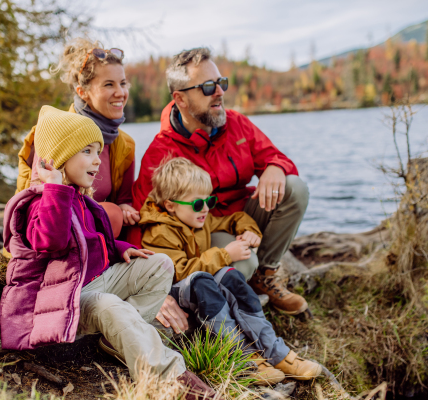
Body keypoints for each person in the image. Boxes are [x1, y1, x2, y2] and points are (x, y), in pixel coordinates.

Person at [0, 106, 217, 399]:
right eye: (87, 152)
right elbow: (51, 242)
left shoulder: (79, 198)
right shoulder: (40, 203)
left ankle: (117, 339)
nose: (97, 161)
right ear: (60, 158)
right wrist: (53, 190)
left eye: (97, 152)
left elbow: (90, 243)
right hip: (64, 300)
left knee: (160, 264)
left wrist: (122, 248)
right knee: (109, 305)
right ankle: (169, 379)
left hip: (89, 284)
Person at [131, 47, 310, 332]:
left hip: (244, 217)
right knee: (243, 261)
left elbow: (276, 157)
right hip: (203, 229)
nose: (219, 92)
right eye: (207, 87)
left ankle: (266, 275)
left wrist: (275, 166)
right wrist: (154, 288)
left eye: (221, 83)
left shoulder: (236, 123)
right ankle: (225, 317)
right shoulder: (160, 152)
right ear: (180, 98)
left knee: (294, 188)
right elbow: (143, 217)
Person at [139, 158, 322, 385]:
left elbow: (231, 219)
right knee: (203, 281)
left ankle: (277, 353)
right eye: (198, 204)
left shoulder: (198, 219)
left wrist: (248, 229)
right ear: (170, 205)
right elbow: (179, 272)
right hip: (174, 290)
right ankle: (240, 357)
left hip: (196, 282)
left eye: (209, 201)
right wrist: (225, 254)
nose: (206, 208)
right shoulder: (159, 232)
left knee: (231, 276)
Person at [15, 38, 140, 238]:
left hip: (97, 235)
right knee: (110, 213)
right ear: (83, 92)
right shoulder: (56, 131)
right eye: (109, 84)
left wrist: (125, 208)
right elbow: (35, 203)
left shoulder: (125, 144)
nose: (121, 93)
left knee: (117, 214)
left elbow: (123, 199)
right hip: (52, 233)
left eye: (123, 83)